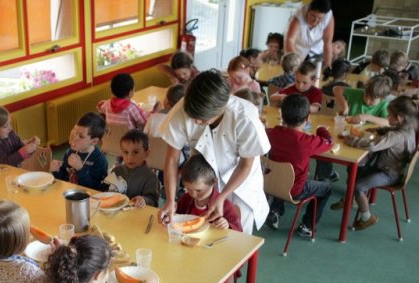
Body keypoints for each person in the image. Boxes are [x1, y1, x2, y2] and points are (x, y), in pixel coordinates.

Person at [158, 69, 271, 234]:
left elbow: (246, 164)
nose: (196, 121)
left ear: (221, 109)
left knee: (236, 237)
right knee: (199, 233)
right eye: (193, 116)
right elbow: (172, 160)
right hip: (203, 179)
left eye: (202, 118)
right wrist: (169, 199)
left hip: (239, 182)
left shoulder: (244, 117)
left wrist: (222, 196)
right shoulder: (183, 108)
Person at [177, 154, 242, 283]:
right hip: (188, 255)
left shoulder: (224, 205)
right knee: (178, 280)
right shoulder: (186, 199)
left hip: (214, 261)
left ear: (213, 182)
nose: (192, 194)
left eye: (198, 190)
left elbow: (239, 236)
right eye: (188, 189)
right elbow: (178, 217)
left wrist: (227, 225)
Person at [265, 94, 333, 237]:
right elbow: (329, 142)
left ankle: (274, 210)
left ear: (282, 116)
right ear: (308, 119)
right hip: (295, 190)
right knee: (326, 189)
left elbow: (266, 131)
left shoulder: (272, 133)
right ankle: (307, 226)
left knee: (282, 173)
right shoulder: (306, 141)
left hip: (271, 183)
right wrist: (321, 129)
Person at [346, 96, 417, 230]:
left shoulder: (395, 137)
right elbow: (392, 130)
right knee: (356, 169)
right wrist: (380, 130)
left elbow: (373, 145)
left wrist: (351, 141)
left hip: (389, 174)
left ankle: (366, 217)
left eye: (390, 115)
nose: (387, 117)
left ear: (400, 118)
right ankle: (351, 200)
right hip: (395, 170)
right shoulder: (409, 130)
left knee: (358, 186)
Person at [326, 74, 394, 206]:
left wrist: (367, 116)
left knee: (358, 166)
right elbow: (337, 89)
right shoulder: (357, 93)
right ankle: (330, 181)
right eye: (366, 95)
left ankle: (351, 195)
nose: (367, 100)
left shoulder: (384, 105)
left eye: (372, 99)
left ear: (381, 98)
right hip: (348, 138)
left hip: (367, 146)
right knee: (325, 148)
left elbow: (388, 123)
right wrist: (344, 105)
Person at [50, 112, 108, 191]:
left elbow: (95, 189)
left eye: (81, 136)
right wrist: (57, 170)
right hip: (69, 193)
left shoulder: (100, 160)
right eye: (75, 132)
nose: (75, 138)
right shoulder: (69, 152)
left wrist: (80, 169)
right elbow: (64, 179)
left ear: (94, 141)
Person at [104, 130, 160, 207]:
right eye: (126, 152)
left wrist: (144, 200)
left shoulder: (151, 177)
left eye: (136, 152)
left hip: (137, 215)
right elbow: (106, 191)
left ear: (146, 153)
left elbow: (153, 201)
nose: (129, 157)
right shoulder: (116, 171)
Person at [285, 0, 334, 71]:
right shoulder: (298, 16)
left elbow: (327, 43)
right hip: (297, 50)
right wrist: (295, 62)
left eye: (320, 18)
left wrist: (328, 66)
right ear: (308, 10)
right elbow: (290, 40)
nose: (316, 21)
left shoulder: (328, 16)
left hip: (316, 50)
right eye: (313, 16)